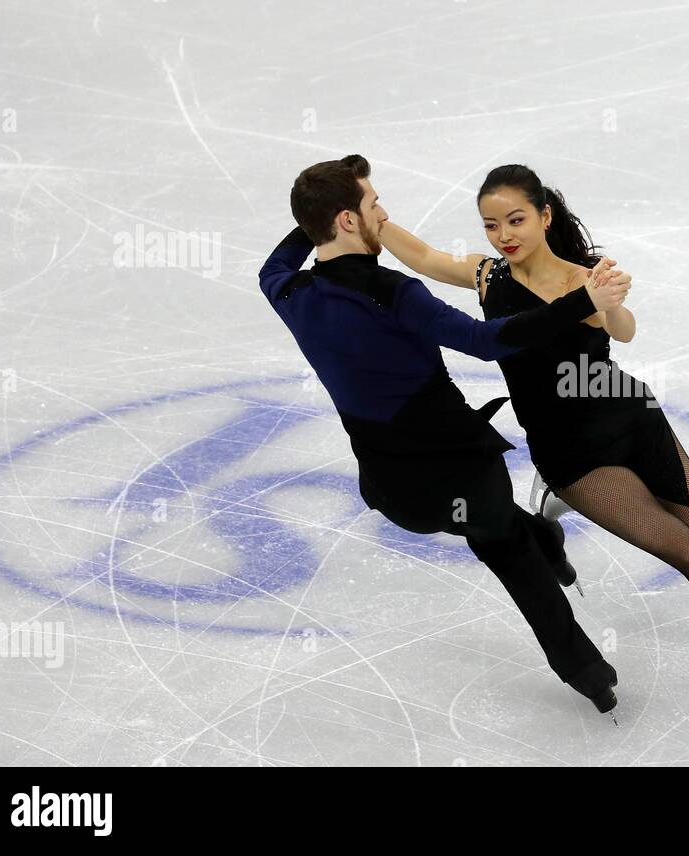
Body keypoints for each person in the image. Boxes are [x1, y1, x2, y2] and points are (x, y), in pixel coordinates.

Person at [377, 164, 689, 680]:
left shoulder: (583, 280)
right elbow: (421, 257)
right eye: (490, 225)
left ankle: (554, 500)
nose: (503, 235)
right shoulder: (488, 278)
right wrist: (374, 218)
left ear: (545, 216)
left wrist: (610, 301)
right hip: (572, 451)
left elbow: (626, 330)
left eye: (516, 220)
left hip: (630, 417)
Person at [258, 154, 634, 716]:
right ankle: (585, 669)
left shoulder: (285, 290)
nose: (382, 214)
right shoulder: (393, 294)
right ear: (346, 220)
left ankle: (544, 540)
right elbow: (490, 341)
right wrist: (584, 302)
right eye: (372, 204)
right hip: (458, 474)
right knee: (506, 547)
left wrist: (315, 213)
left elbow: (279, 259)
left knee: (497, 525)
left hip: (389, 491)